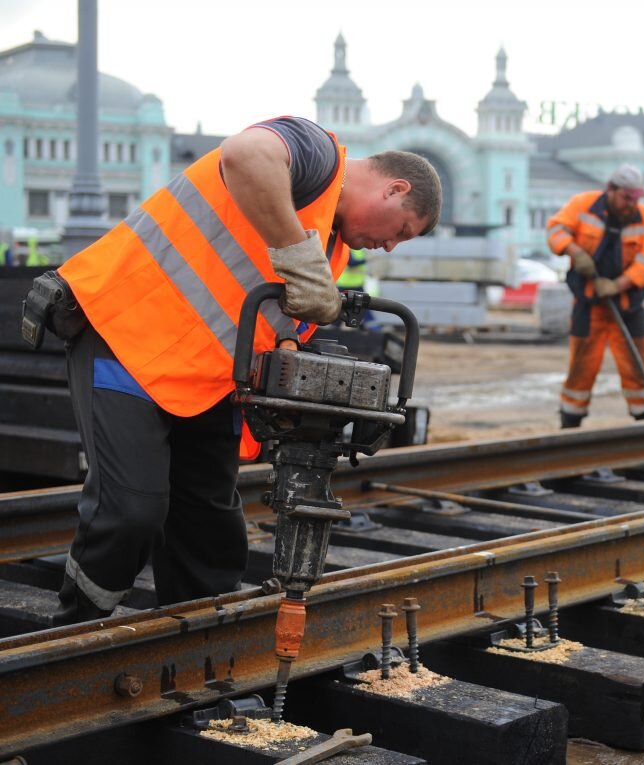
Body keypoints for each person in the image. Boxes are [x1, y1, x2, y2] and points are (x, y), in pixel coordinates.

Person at [34, 116, 441, 624]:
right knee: (131, 514)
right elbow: (245, 154)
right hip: (125, 338)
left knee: (210, 528)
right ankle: (73, 634)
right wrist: (296, 256)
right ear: (393, 188)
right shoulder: (316, 155)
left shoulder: (330, 248)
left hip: (203, 380)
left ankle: (197, 651)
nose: (389, 246)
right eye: (400, 230)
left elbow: (262, 316)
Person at [546, 164, 644, 428]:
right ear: (610, 189)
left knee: (637, 369)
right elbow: (555, 231)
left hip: (628, 307)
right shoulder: (583, 205)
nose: (631, 204)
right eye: (626, 198)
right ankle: (570, 423)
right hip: (588, 306)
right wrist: (575, 251)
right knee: (581, 368)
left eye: (636, 199)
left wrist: (616, 285)